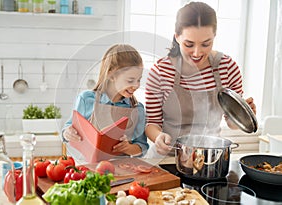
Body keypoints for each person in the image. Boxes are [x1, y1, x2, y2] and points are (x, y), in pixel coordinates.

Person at [145, 2, 256, 156]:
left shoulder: (228, 68)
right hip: (168, 157)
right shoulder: (161, 71)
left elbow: (231, 123)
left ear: (214, 36)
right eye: (189, 44)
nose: (197, 53)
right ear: (177, 37)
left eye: (206, 44)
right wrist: (158, 137)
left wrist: (243, 115)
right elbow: (152, 123)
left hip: (209, 158)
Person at [62, 44, 149, 163]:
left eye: (139, 79)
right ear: (111, 75)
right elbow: (67, 129)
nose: (136, 85)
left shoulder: (137, 109)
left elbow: (142, 147)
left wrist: (129, 148)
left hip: (121, 171)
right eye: (130, 80)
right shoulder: (86, 99)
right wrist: (68, 133)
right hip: (87, 168)